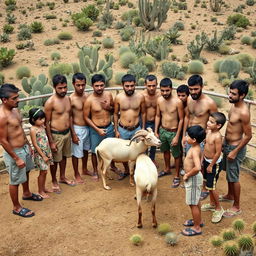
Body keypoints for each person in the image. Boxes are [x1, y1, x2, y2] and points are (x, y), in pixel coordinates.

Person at [0, 84, 42, 218]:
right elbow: (3, 140)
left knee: (27, 171)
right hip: (14, 152)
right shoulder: (2, 117)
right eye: (14, 98)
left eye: (17, 97)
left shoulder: (15, 110)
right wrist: (16, 158)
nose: (18, 100)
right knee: (15, 180)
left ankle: (27, 193)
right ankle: (16, 207)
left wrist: (28, 144)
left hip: (24, 148)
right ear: (4, 100)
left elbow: (20, 129)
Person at [182, 75, 217, 200]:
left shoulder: (210, 103)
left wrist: (208, 140)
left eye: (196, 89)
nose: (193, 92)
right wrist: (183, 136)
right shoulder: (189, 100)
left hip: (202, 140)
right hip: (189, 137)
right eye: (190, 89)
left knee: (200, 165)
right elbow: (187, 117)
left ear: (202, 87)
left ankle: (202, 188)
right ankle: (190, 180)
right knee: (190, 161)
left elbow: (215, 124)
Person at [221, 80, 252, 218]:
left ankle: (236, 206)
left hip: (235, 147)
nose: (230, 95)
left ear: (243, 95)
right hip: (227, 144)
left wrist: (235, 151)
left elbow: (248, 135)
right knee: (228, 173)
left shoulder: (244, 112)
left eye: (233, 94)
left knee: (234, 177)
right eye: (230, 92)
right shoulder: (233, 106)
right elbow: (230, 127)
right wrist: (223, 141)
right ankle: (229, 194)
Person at [84, 74, 120, 180]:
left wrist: (108, 107)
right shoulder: (89, 100)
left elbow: (114, 110)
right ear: (92, 86)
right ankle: (95, 171)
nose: (99, 88)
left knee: (112, 149)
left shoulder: (108, 95)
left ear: (104, 84)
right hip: (96, 129)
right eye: (97, 86)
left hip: (109, 127)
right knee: (95, 151)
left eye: (101, 85)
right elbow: (86, 117)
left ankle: (113, 166)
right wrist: (97, 129)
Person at [45, 74, 75, 193]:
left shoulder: (68, 99)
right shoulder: (50, 102)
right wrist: (51, 141)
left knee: (64, 157)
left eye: (65, 87)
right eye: (60, 88)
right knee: (55, 160)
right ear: (54, 87)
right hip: (56, 134)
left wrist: (73, 133)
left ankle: (62, 177)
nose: (63, 90)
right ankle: (54, 181)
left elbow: (70, 117)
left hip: (67, 133)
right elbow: (46, 123)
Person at [114, 74, 146, 179]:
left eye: (132, 85)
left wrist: (143, 129)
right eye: (127, 86)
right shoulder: (118, 98)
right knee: (124, 152)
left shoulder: (140, 97)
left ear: (135, 84)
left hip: (136, 129)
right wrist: (116, 131)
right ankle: (127, 171)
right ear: (122, 85)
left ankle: (137, 172)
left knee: (139, 152)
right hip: (122, 129)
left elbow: (143, 113)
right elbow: (115, 114)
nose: (129, 88)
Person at [155, 78, 184, 188]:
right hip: (163, 130)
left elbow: (181, 119)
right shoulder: (159, 100)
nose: (164, 93)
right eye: (162, 90)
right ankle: (167, 168)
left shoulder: (177, 102)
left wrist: (177, 136)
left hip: (173, 132)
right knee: (165, 151)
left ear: (171, 89)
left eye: (167, 90)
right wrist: (156, 131)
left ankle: (176, 175)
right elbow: (158, 115)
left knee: (176, 155)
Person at [201, 112, 226, 223]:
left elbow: (217, 153)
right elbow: (205, 147)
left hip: (214, 164)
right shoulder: (208, 131)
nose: (208, 123)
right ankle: (212, 204)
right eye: (208, 120)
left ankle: (218, 208)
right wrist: (202, 160)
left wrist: (211, 165)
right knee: (207, 184)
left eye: (211, 122)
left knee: (212, 186)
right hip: (206, 161)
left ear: (218, 125)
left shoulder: (217, 137)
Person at [182, 125, 206, 236]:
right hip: (194, 178)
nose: (186, 137)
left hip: (193, 178)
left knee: (192, 203)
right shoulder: (195, 147)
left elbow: (197, 167)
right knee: (195, 201)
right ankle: (198, 221)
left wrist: (187, 175)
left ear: (194, 139)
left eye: (188, 136)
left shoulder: (195, 151)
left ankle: (196, 228)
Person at [70, 73, 92, 184]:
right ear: (73, 84)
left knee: (86, 150)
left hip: (88, 127)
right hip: (77, 128)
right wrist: (73, 133)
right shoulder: (71, 99)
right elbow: (69, 117)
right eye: (78, 85)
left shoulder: (88, 96)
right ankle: (76, 173)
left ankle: (84, 169)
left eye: (83, 85)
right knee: (76, 153)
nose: (81, 87)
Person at [29, 108, 53, 198]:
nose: (43, 121)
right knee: (42, 172)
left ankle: (43, 188)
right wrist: (43, 156)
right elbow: (35, 145)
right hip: (40, 154)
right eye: (40, 119)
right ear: (33, 120)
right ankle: (40, 191)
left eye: (43, 118)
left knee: (45, 171)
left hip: (46, 151)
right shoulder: (33, 130)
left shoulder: (42, 126)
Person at [141, 75, 160, 165]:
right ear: (145, 84)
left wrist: (156, 129)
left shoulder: (160, 95)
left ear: (157, 84)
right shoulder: (142, 95)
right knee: (143, 141)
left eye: (154, 85)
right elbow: (142, 112)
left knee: (154, 140)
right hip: (144, 121)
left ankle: (152, 158)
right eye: (149, 86)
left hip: (156, 122)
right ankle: (143, 158)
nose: (152, 88)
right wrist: (143, 127)